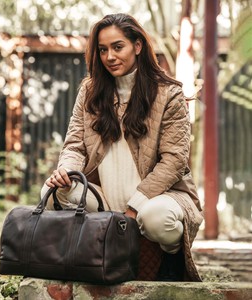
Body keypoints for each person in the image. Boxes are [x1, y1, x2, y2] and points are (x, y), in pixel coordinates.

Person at [41, 13, 203, 282]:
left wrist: (136, 205)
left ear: (137, 46)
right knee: (52, 190)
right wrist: (66, 171)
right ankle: (95, 255)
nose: (110, 57)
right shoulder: (90, 91)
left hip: (159, 196)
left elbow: (174, 161)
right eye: (103, 50)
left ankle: (171, 257)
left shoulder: (169, 93)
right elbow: (74, 144)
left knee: (156, 219)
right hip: (104, 197)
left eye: (118, 47)